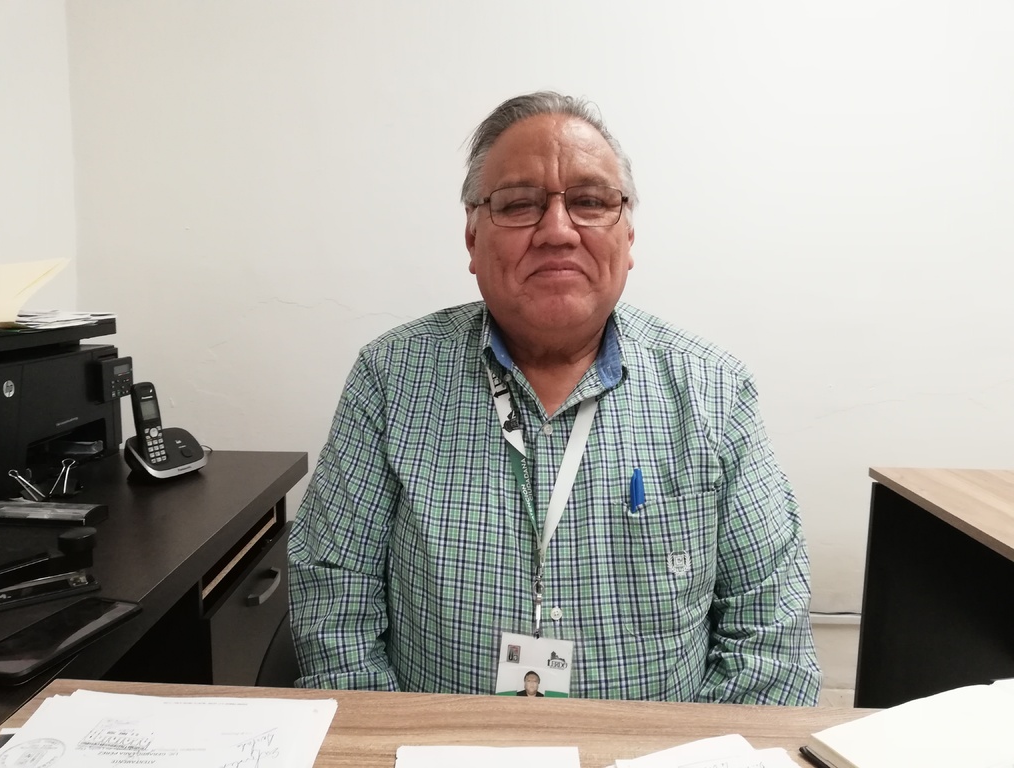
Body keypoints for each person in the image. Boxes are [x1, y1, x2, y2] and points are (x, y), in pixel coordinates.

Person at [288, 91, 822, 705]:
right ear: (472, 238)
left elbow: (769, 637)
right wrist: (392, 744)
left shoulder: (715, 391)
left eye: (590, 202)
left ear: (628, 236)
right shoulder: (391, 378)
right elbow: (335, 607)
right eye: (519, 204)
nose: (558, 231)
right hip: (440, 747)